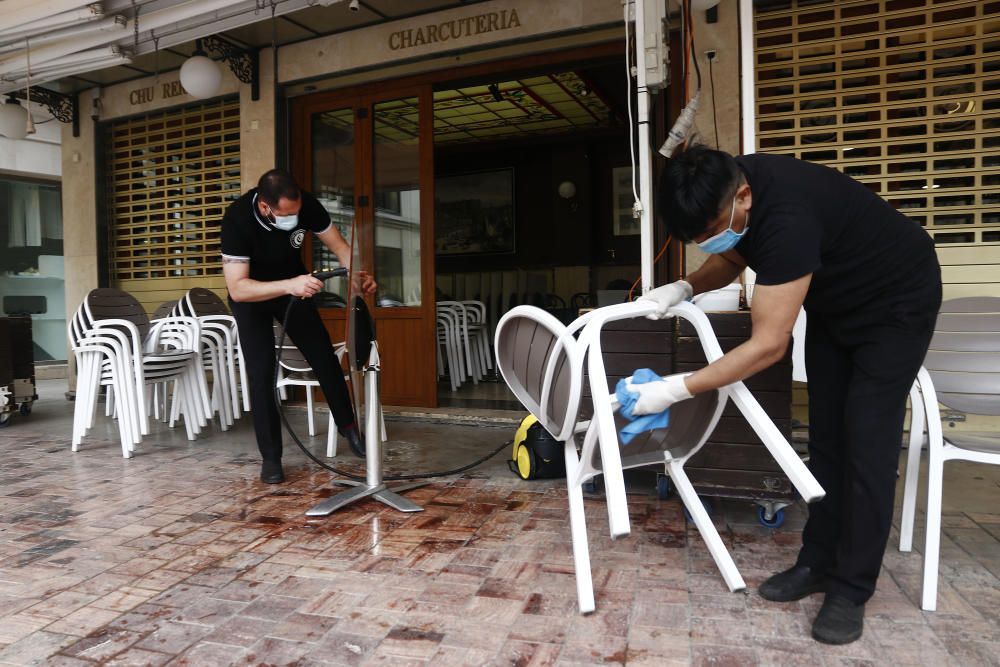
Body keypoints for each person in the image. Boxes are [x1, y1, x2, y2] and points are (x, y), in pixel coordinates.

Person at [633, 145, 941, 645]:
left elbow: (768, 345)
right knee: (825, 439)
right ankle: (817, 562)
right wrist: (683, 287)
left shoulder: (787, 221)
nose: (710, 243)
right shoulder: (732, 190)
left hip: (896, 302)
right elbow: (731, 253)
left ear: (744, 197)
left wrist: (676, 388)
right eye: (698, 238)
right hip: (837, 302)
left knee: (866, 443)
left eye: (711, 231)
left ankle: (851, 587)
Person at [221, 169, 376, 484]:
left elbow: (342, 249)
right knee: (261, 373)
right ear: (265, 207)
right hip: (253, 295)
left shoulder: (306, 205)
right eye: (287, 214)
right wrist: (289, 285)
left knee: (323, 356)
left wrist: (359, 276)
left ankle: (350, 430)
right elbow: (238, 288)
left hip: (295, 284)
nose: (295, 218)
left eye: (297, 211)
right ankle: (271, 458)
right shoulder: (236, 219)